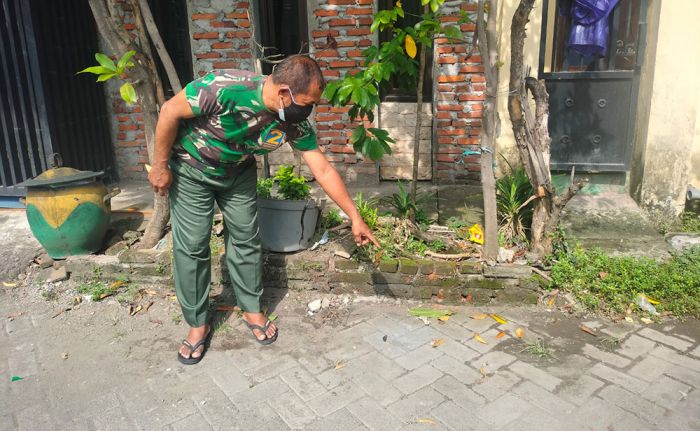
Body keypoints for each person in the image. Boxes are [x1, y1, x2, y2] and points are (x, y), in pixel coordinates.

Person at [147, 55, 379, 365]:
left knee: (246, 238)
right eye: (307, 103)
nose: (308, 110)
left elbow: (322, 169)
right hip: (192, 169)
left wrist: (355, 216)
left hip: (238, 172)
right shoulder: (222, 88)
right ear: (285, 93)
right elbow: (169, 111)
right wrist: (160, 166)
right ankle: (197, 324)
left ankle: (252, 309)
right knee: (192, 247)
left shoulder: (291, 119)